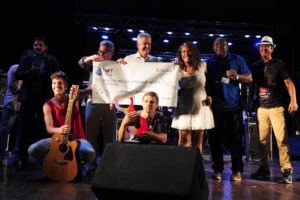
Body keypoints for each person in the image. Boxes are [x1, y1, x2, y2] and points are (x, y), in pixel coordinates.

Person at [250, 36, 298, 184]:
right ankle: (264, 168)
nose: (264, 49)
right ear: (259, 49)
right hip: (262, 109)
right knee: (262, 141)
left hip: (276, 107)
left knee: (281, 140)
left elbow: (289, 82)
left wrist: (293, 100)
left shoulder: (278, 64)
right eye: (261, 46)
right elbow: (251, 83)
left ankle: (286, 170)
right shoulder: (255, 65)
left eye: (267, 46)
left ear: (272, 48)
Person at [206, 37, 253, 181]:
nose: (220, 46)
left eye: (223, 44)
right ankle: (218, 170)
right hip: (215, 109)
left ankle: (237, 170)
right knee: (214, 141)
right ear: (213, 47)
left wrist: (237, 76)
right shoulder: (209, 62)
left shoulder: (237, 60)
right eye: (217, 44)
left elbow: (250, 78)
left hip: (233, 107)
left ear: (228, 46)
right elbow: (204, 82)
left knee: (236, 141)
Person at [28, 71, 96, 165]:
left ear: (66, 85)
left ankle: (74, 165)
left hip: (77, 139)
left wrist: (102, 74)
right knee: (32, 149)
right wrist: (59, 129)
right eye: (54, 83)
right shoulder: (47, 105)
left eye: (60, 83)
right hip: (58, 140)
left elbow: (89, 89)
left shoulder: (74, 97)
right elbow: (49, 128)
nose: (56, 86)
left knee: (90, 153)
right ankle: (53, 161)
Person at [14, 36, 60, 168]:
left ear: (46, 47)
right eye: (35, 45)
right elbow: (18, 75)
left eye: (40, 45)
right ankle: (20, 157)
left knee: (43, 128)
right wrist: (31, 72)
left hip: (44, 100)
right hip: (28, 99)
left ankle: (43, 157)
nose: (38, 47)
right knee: (23, 129)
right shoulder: (26, 59)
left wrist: (43, 73)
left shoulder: (52, 60)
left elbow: (56, 76)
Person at [171, 42, 214, 153]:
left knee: (197, 140)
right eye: (183, 51)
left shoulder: (203, 65)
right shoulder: (177, 68)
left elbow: (209, 82)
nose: (186, 53)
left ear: (194, 52)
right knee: (183, 139)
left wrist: (209, 95)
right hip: (184, 105)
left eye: (188, 50)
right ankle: (181, 166)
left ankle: (196, 167)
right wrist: (173, 67)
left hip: (200, 105)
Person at [78, 40, 116, 157]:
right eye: (100, 51)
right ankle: (90, 162)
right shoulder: (94, 63)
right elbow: (81, 63)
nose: (101, 55)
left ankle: (107, 161)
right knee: (91, 133)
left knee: (109, 135)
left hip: (109, 102)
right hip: (93, 100)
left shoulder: (116, 66)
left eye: (104, 52)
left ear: (111, 53)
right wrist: (90, 58)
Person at [0, 50, 33, 166]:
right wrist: (25, 90)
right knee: (5, 130)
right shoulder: (14, 68)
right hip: (11, 104)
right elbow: (12, 86)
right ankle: (1, 155)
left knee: (21, 132)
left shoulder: (28, 72)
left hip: (21, 105)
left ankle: (18, 157)